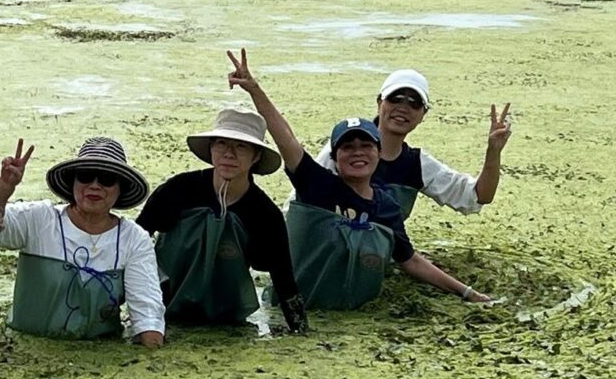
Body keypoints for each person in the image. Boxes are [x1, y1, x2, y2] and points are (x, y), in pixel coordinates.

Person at [228, 49, 492, 310]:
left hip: (352, 312)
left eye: (366, 146)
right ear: (334, 156)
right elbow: (284, 136)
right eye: (348, 147)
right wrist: (254, 90)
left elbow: (410, 260)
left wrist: (467, 292)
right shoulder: (317, 185)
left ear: (378, 154)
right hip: (298, 306)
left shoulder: (387, 208)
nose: (357, 153)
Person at [0, 137, 165, 346]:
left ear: (121, 188)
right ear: (72, 182)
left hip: (100, 356)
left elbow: (148, 313)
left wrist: (152, 353)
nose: (94, 185)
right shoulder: (40, 219)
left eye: (106, 178)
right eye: (85, 176)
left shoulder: (134, 239)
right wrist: (5, 186)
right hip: (23, 351)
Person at [137, 108, 308, 333]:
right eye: (221, 144)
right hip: (162, 309)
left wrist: (301, 331)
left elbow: (284, 281)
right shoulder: (176, 191)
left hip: (228, 319)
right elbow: (135, 243)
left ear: (256, 156)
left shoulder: (266, 215)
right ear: (211, 149)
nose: (229, 154)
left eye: (241, 146)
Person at [313, 69, 513, 219]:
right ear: (379, 103)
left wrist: (493, 151)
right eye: (395, 99)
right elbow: (300, 203)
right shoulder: (343, 148)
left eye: (414, 103)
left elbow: (477, 196)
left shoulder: (418, 165)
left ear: (423, 114)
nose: (403, 108)